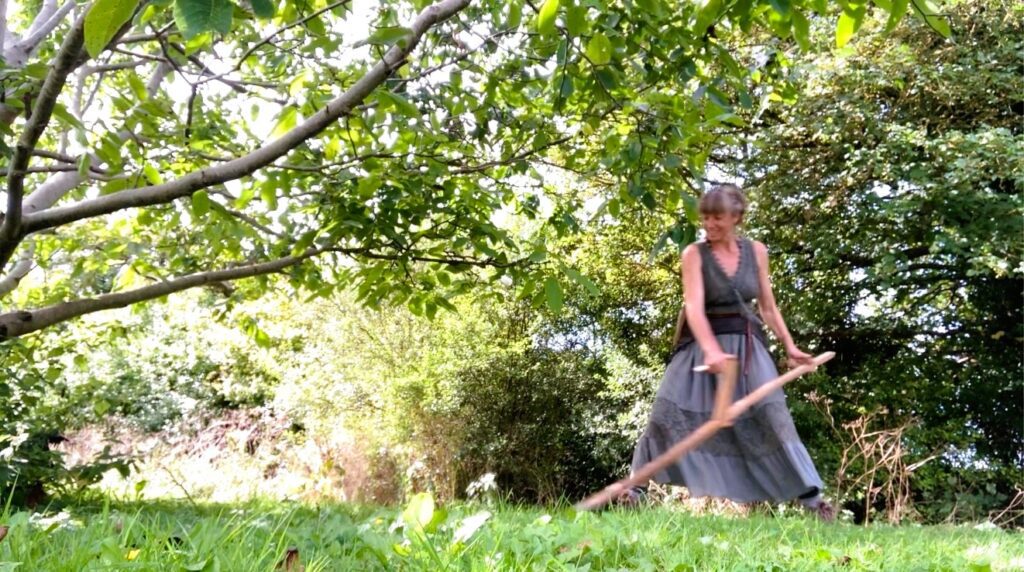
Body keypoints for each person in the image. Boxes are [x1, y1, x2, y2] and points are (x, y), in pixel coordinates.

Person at [618, 183, 835, 521]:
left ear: (737, 217)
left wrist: (791, 347)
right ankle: (635, 491)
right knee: (666, 414)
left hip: (748, 347)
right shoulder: (693, 254)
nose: (710, 224)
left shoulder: (757, 252)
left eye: (717, 217)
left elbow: (768, 307)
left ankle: (813, 500)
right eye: (705, 217)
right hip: (700, 347)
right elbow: (693, 308)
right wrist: (712, 353)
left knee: (773, 420)